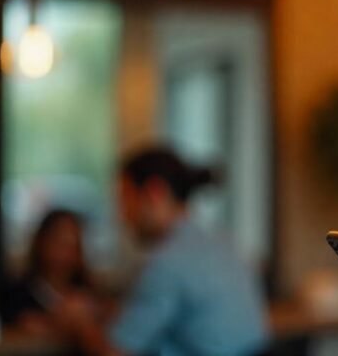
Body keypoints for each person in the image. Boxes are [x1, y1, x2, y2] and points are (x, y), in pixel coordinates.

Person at [56, 146, 267, 356]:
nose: (122, 216)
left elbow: (116, 352)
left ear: (154, 192)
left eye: (125, 200)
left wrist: (80, 324)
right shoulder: (223, 242)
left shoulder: (167, 262)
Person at [1, 209, 99, 337]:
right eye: (61, 243)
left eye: (74, 244)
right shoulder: (15, 296)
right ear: (42, 242)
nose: (67, 254)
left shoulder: (87, 294)